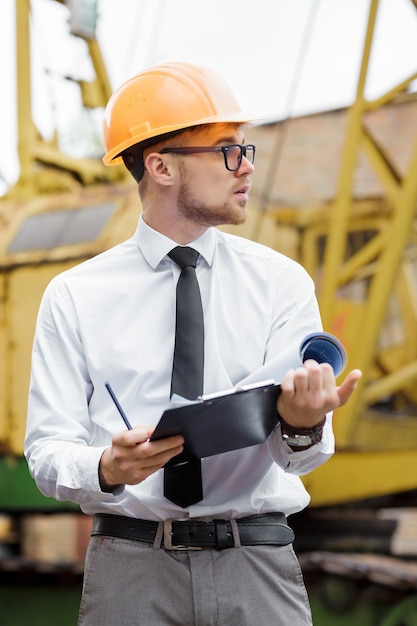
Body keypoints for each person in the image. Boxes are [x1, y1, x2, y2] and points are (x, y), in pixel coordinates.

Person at [25, 62, 362, 626]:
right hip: (131, 567)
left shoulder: (282, 282)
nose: (246, 166)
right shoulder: (74, 296)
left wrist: (303, 421)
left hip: (256, 563)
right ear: (160, 166)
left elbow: (300, 457)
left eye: (245, 149)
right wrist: (107, 466)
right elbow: (46, 451)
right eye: (227, 150)